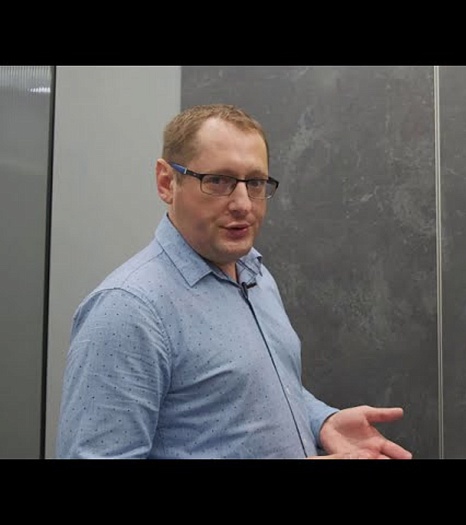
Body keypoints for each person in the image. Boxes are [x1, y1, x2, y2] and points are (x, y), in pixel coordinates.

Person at [56, 103, 412, 460]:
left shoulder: (255, 274)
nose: (243, 204)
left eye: (255, 182)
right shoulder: (128, 309)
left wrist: (322, 421)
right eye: (218, 181)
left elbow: (253, 388)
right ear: (166, 182)